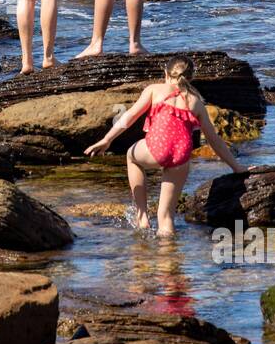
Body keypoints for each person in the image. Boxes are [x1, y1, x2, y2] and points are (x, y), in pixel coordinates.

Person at [84, 56, 245, 237]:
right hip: (181, 154)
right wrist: (236, 167)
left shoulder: (154, 90)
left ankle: (142, 216)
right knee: (166, 217)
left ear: (166, 74)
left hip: (156, 148)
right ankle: (169, 258)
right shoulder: (196, 101)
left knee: (131, 155)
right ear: (190, 77)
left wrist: (107, 139)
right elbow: (214, 140)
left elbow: (129, 117)